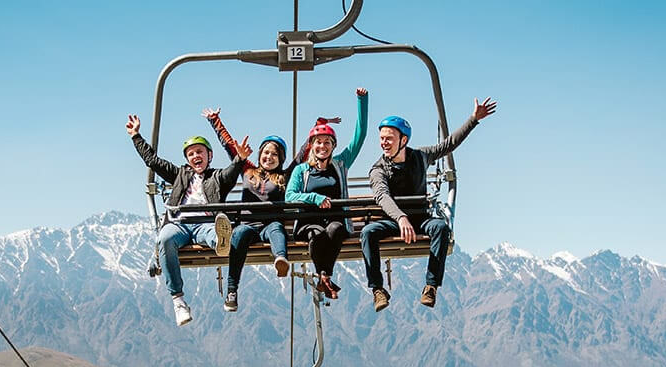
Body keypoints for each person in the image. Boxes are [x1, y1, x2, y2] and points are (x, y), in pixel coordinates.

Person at [361, 97, 497, 311]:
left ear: (403, 140)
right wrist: (400, 217)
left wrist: (474, 119)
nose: (384, 143)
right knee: (368, 232)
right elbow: (382, 196)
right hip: (393, 221)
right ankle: (377, 289)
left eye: (389, 138)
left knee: (441, 228)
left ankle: (431, 286)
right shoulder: (378, 169)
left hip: (420, 219)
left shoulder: (420, 156)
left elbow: (448, 144)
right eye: (382, 139)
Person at [202, 108, 332, 311]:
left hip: (271, 223)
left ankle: (281, 259)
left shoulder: (285, 176)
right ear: (259, 154)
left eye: (274, 154)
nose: (269, 157)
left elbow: (303, 153)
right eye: (266, 153)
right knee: (239, 235)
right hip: (248, 224)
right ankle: (231, 290)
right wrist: (215, 120)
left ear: (280, 159)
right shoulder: (248, 170)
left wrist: (318, 126)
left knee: (276, 230)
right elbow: (230, 146)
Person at [126, 114, 251, 325]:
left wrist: (239, 159)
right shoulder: (179, 175)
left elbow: (231, 173)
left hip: (206, 223)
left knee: (215, 233)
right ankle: (179, 302)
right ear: (187, 159)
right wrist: (136, 136)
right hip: (180, 224)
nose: (195, 157)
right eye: (191, 154)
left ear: (209, 155)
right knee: (165, 239)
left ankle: (221, 241)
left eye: (199, 152)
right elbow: (152, 161)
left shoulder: (217, 177)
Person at [285, 88, 369, 299]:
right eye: (318, 142)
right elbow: (290, 196)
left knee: (336, 230)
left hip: (335, 220)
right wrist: (314, 198)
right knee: (318, 235)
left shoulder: (340, 165)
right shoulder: (301, 170)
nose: (323, 146)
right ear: (312, 146)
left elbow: (360, 136)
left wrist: (362, 101)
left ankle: (323, 276)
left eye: (327, 142)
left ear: (333, 146)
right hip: (308, 221)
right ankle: (326, 277)